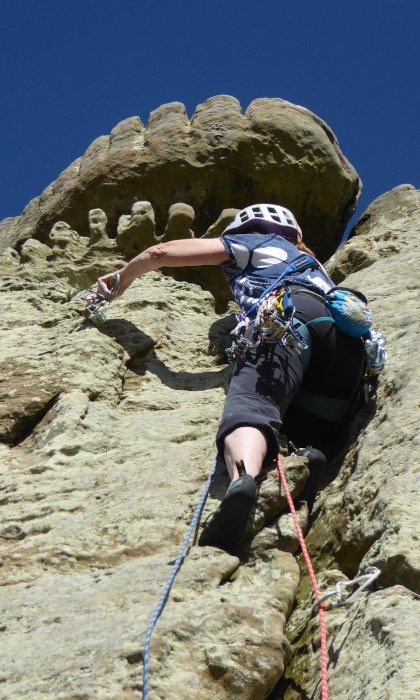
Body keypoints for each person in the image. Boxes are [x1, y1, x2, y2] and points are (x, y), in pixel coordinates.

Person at [87, 203, 369, 556]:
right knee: (290, 415)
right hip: (345, 353)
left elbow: (160, 253)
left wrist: (118, 282)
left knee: (252, 404)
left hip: (289, 318)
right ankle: (306, 455)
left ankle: (243, 483)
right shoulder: (314, 266)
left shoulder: (252, 242)